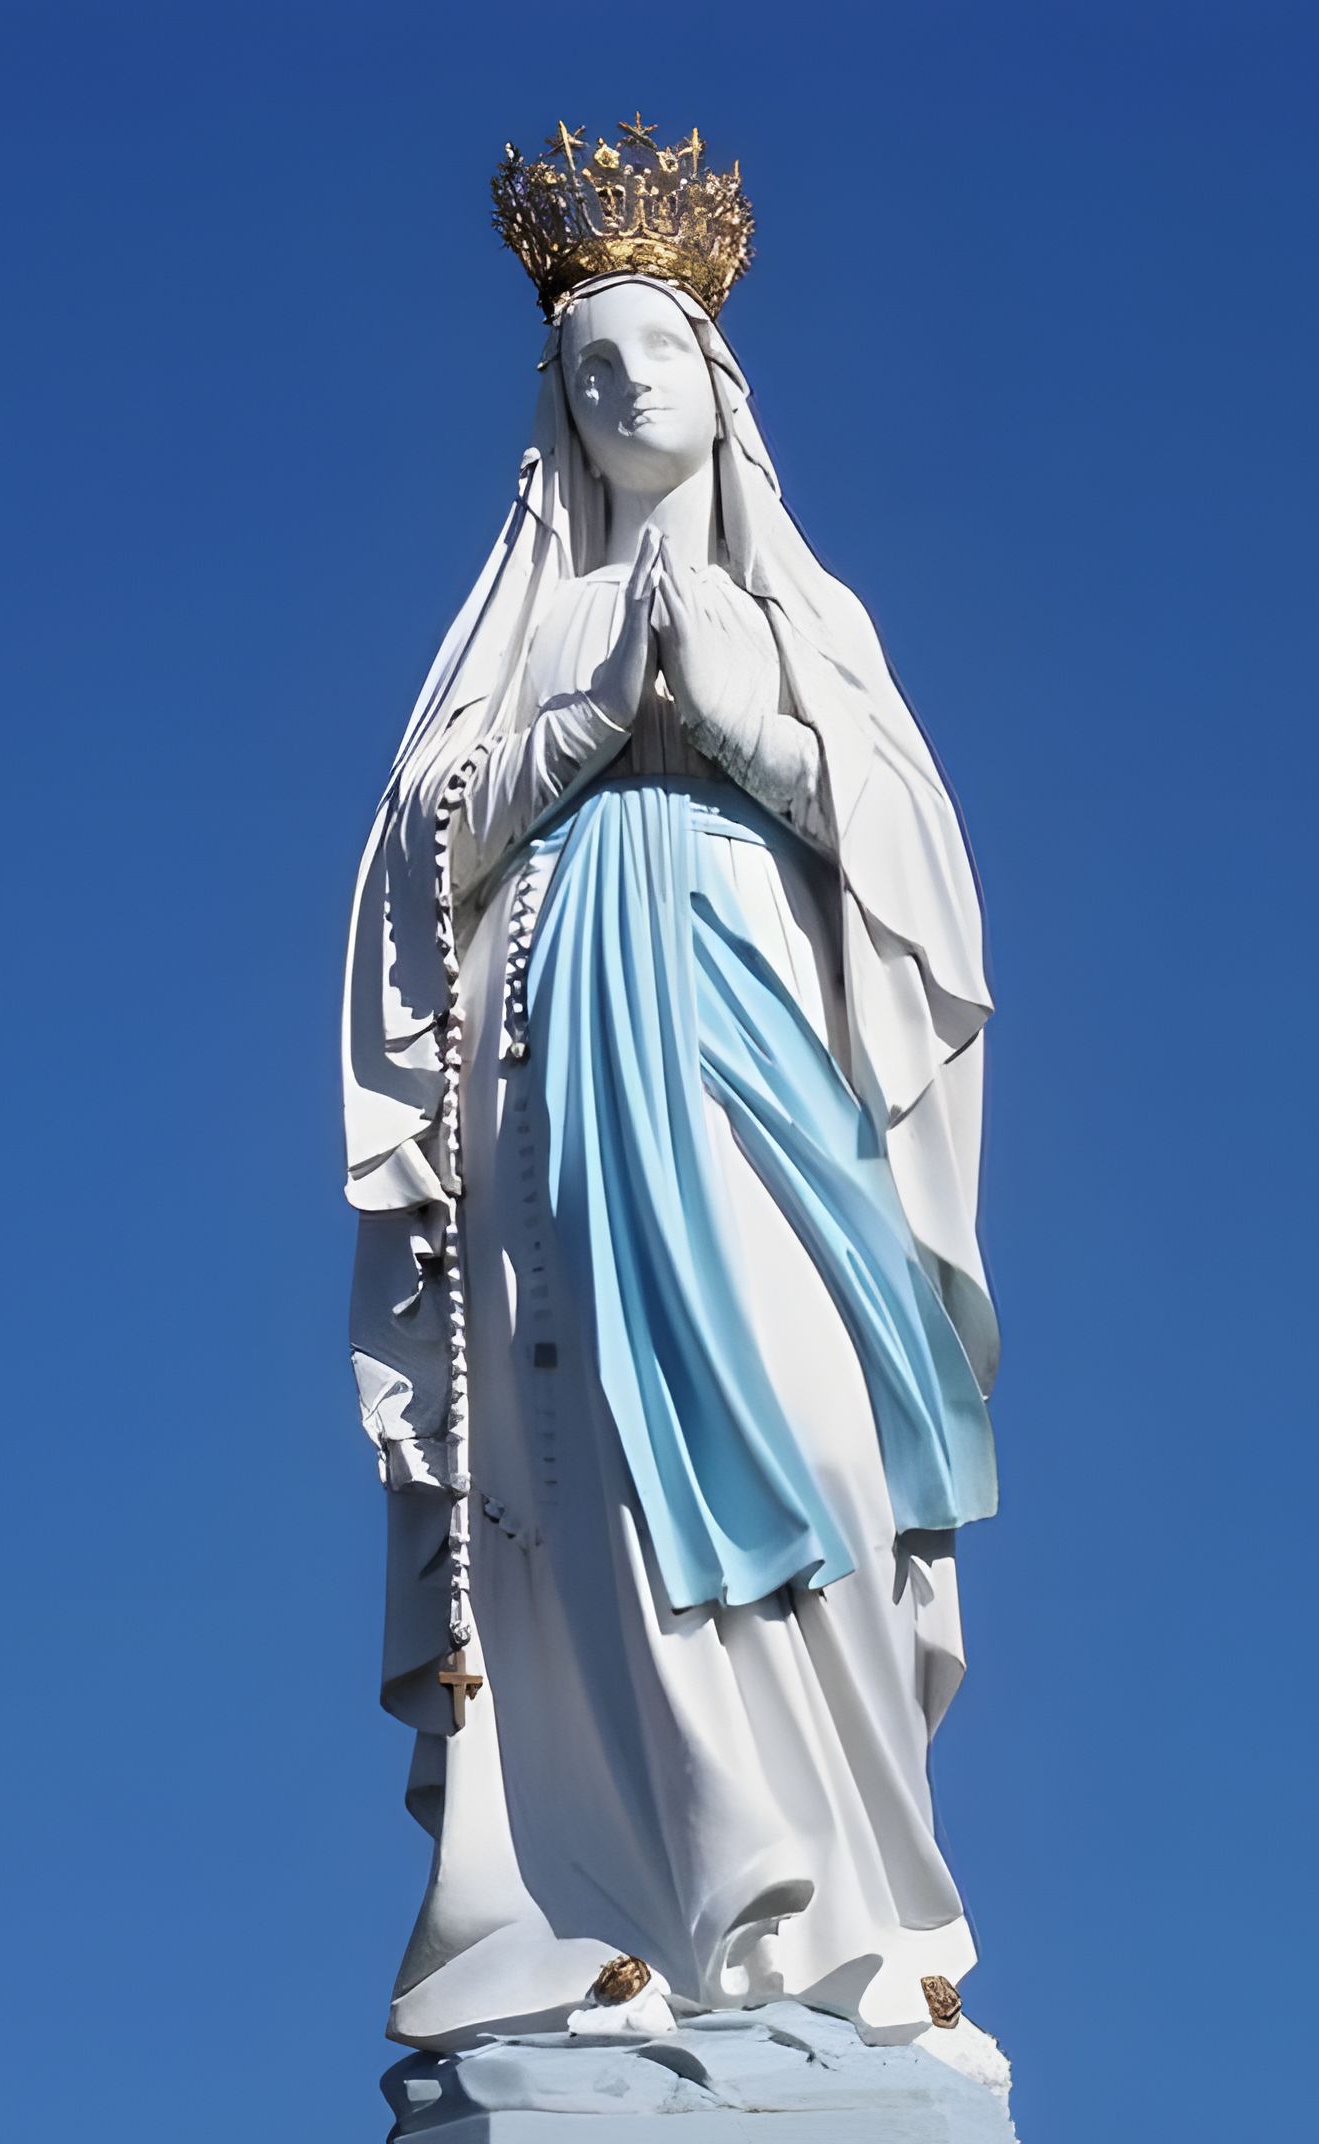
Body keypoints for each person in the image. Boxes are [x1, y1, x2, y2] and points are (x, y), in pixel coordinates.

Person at [343, 266, 1000, 2051]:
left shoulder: (808, 618)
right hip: (569, 1097)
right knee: (606, 1465)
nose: (623, 387)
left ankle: (861, 1908)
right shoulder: (522, 628)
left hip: (767, 1061)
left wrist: (742, 729)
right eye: (584, 367)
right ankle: (655, 1901)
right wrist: (574, 732)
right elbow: (421, 858)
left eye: (653, 354)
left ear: (718, 381)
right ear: (554, 410)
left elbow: (926, 900)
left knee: (820, 1435)